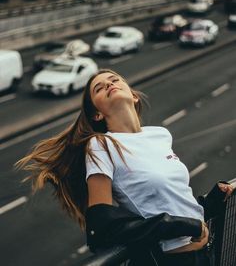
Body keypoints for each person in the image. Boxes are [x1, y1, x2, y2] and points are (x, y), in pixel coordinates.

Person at [17, 69, 235, 266]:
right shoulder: (101, 145)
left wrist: (212, 201)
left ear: (133, 95)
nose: (110, 84)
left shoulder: (160, 135)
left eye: (114, 79)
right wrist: (185, 226)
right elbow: (102, 227)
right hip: (171, 260)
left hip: (204, 256)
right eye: (99, 89)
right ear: (97, 114)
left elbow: (170, 201)